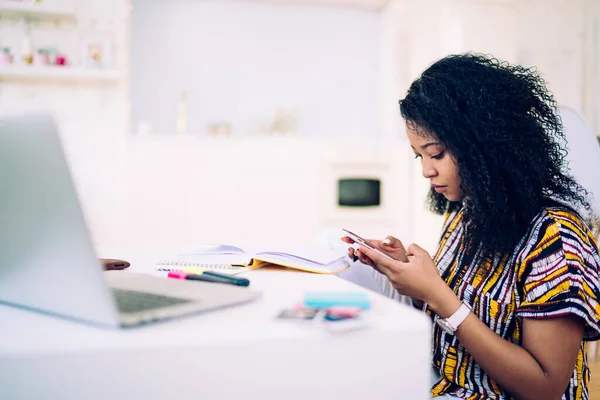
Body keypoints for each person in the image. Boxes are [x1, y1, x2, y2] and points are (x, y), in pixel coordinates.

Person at [343, 53, 600, 400]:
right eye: (419, 156)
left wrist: (437, 294)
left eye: (436, 154)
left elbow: (545, 387)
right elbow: (455, 313)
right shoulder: (467, 213)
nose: (426, 171)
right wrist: (409, 274)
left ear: (483, 145)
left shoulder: (555, 239)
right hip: (441, 385)